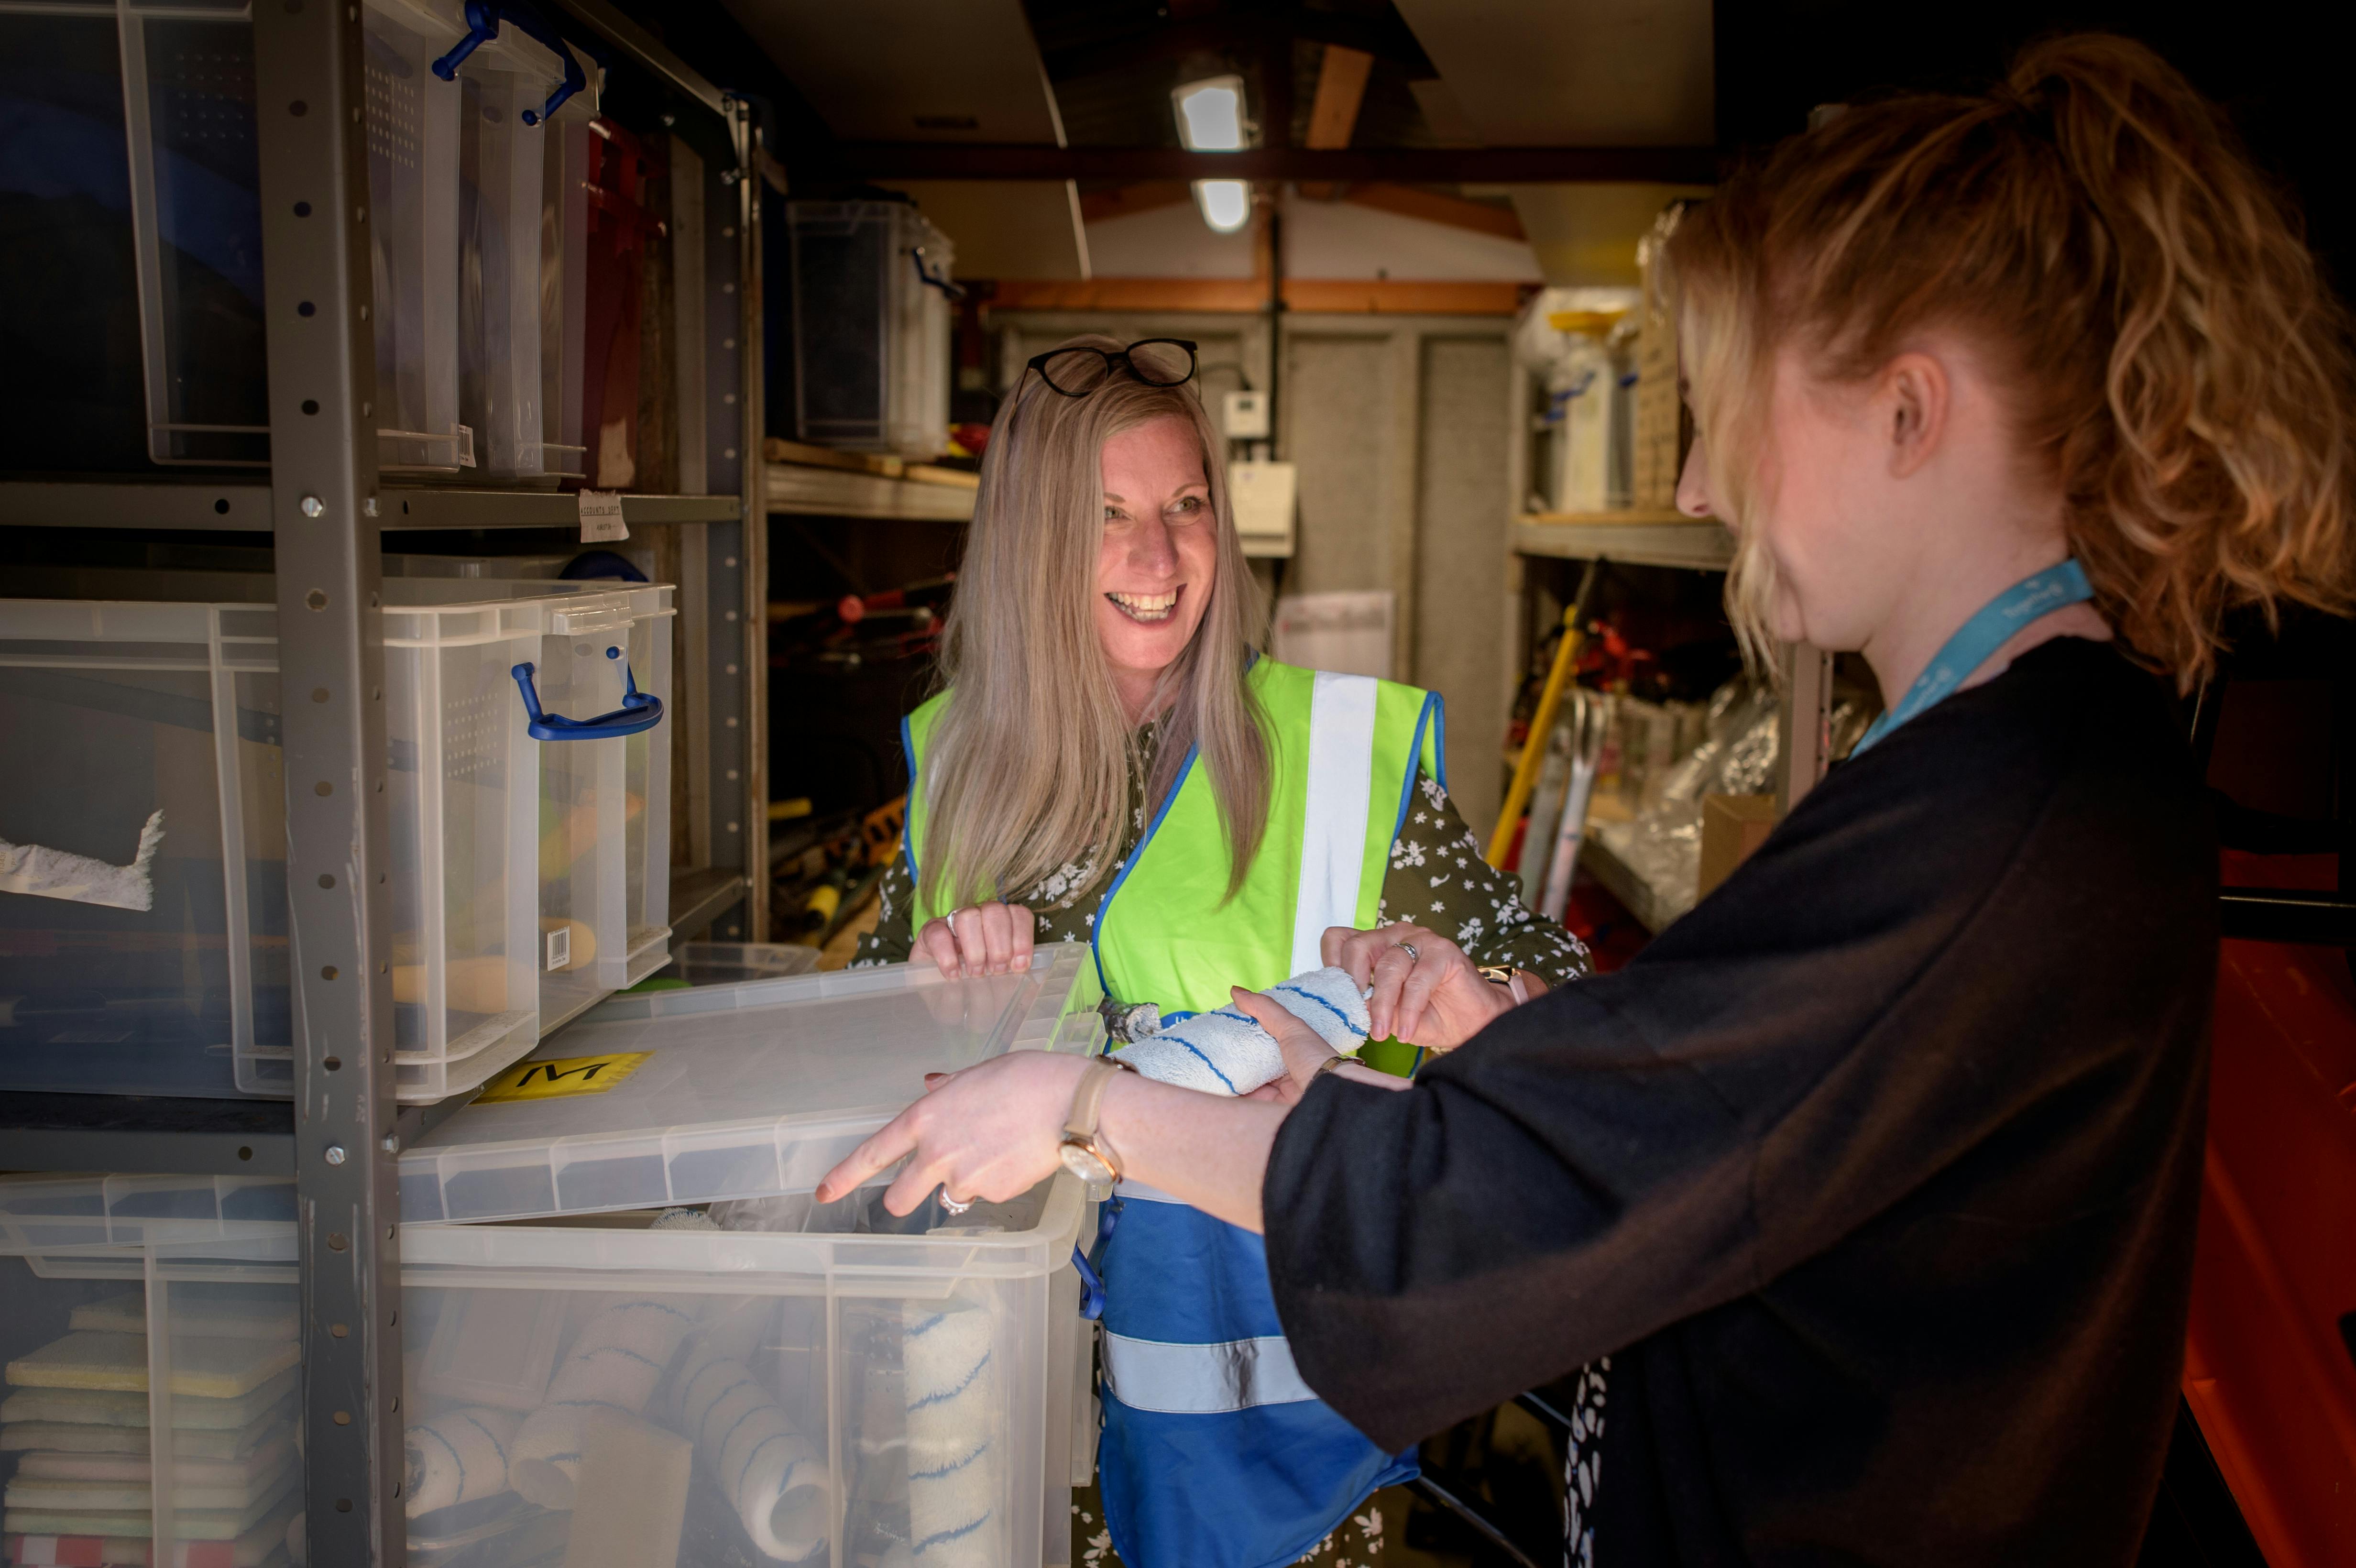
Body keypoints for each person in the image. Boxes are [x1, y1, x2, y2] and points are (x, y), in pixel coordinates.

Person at [821, 34, 2356, 1567]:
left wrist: (1088, 1108)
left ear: (1905, 412)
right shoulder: (2011, 786)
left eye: (1731, 409)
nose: (1696, 488)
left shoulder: (2003, 825)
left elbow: (1508, 1204)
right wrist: (1498, 1036)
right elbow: (1692, 1132)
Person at [851, 332, 1592, 1568]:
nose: (1157, 557)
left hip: (1272, 1428)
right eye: (1107, 516)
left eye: (1187, 506)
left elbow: (1564, 1013)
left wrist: (1481, 999)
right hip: (1008, 1417)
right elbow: (857, 1080)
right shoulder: (959, 768)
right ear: (1035, 545)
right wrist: (925, 1001)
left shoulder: (1339, 754)